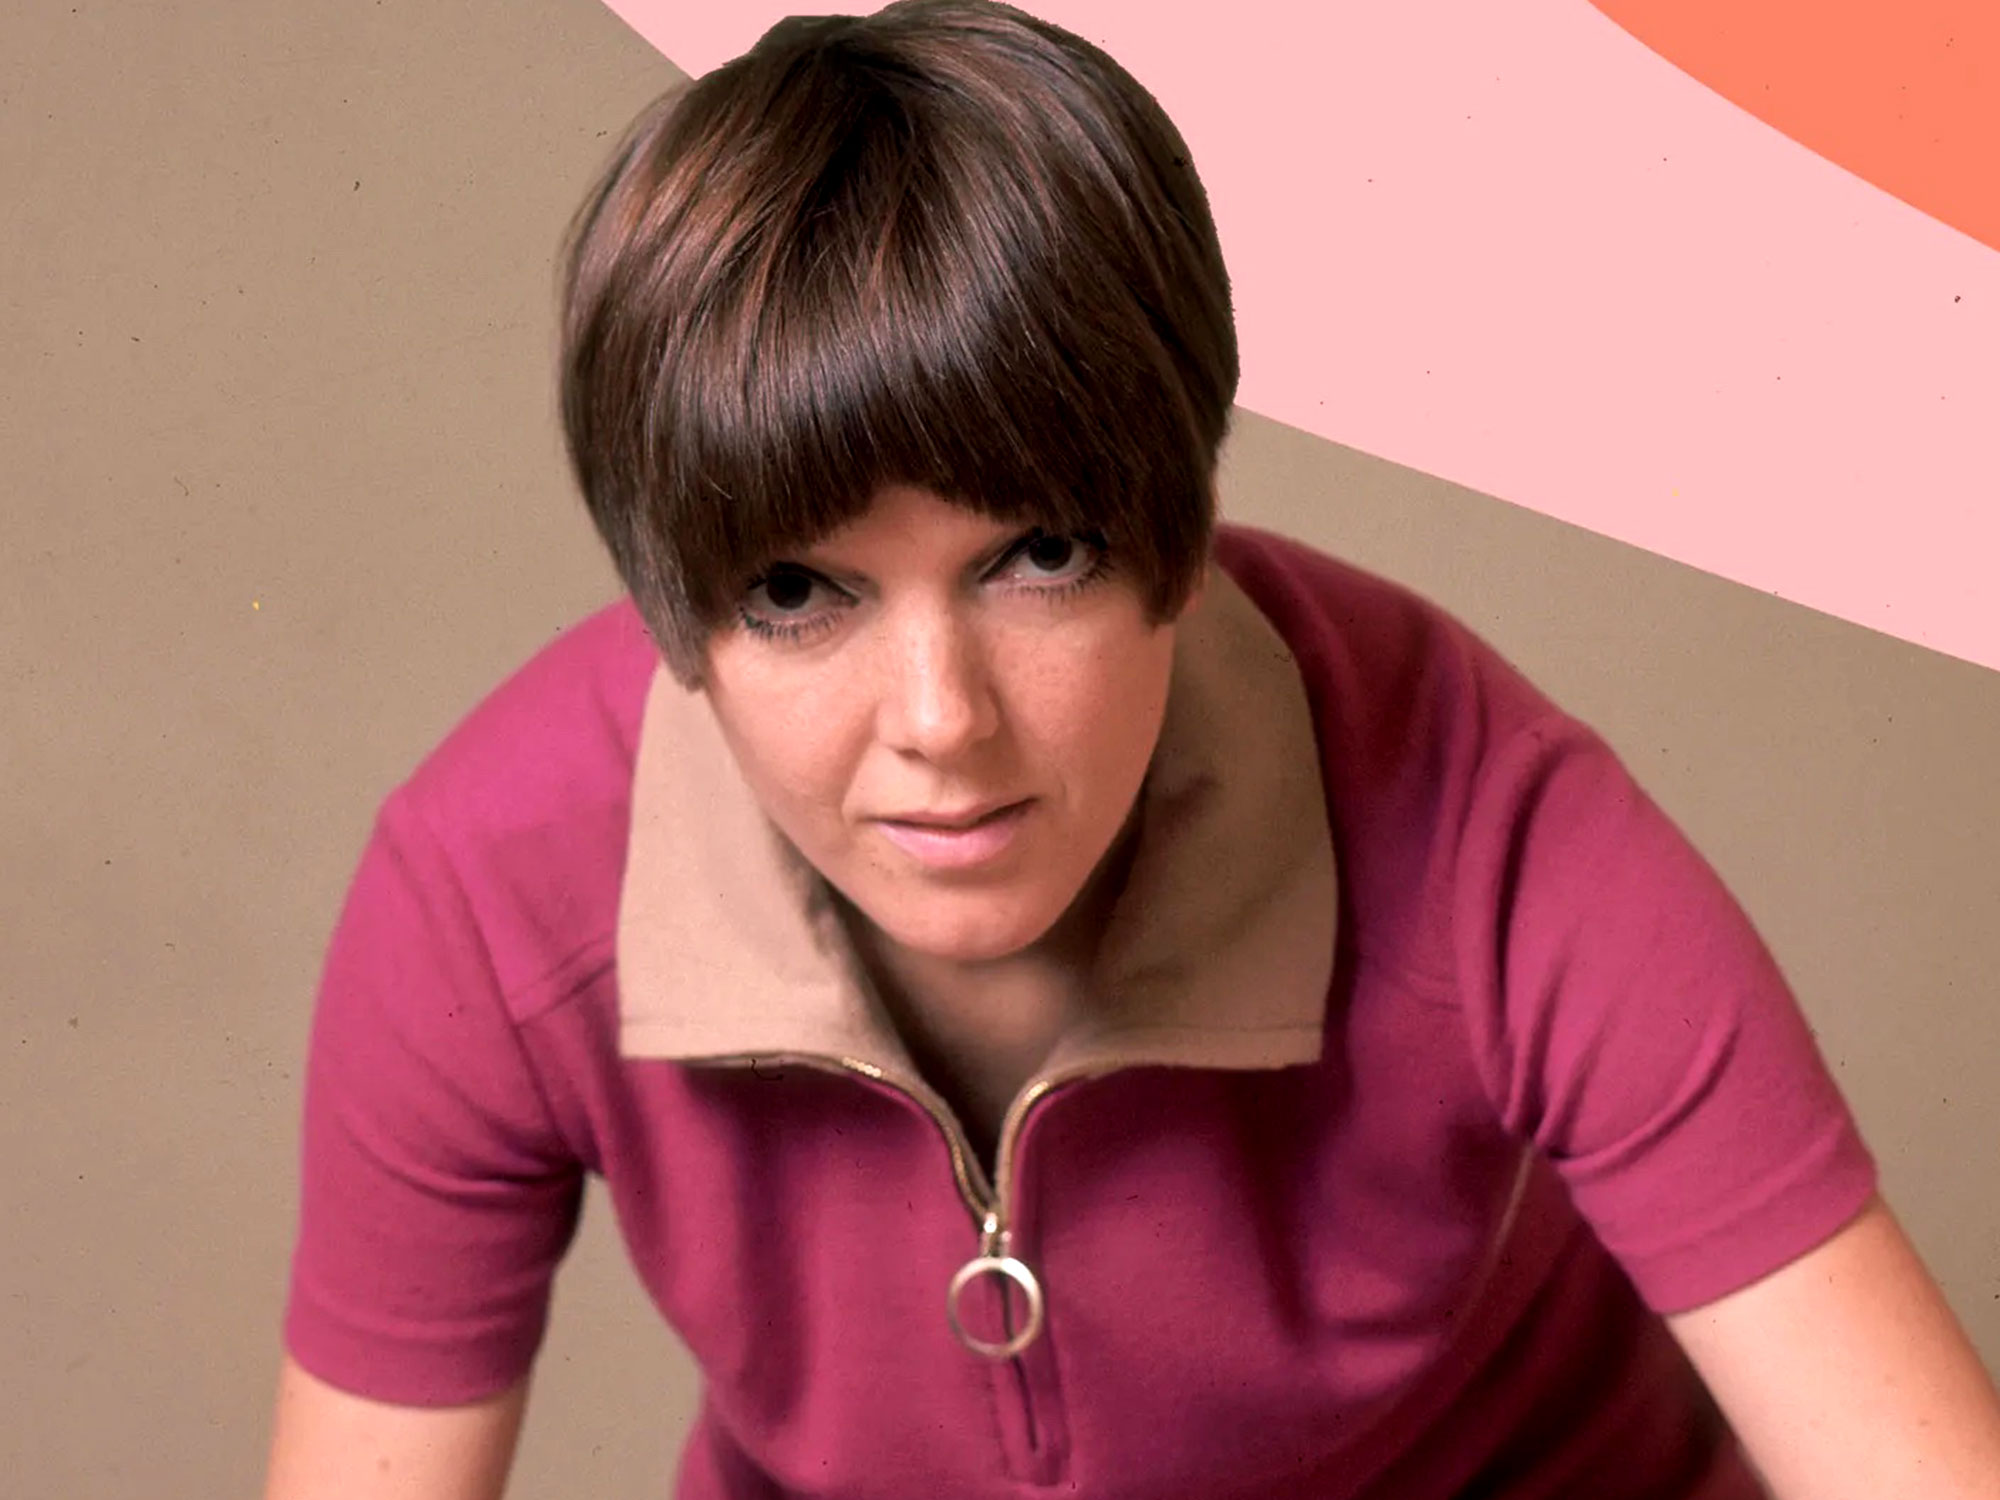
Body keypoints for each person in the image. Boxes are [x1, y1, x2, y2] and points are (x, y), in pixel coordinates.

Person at [260, 3, 2000, 1497]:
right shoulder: (492, 885)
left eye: (1039, 557)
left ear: (1181, 530)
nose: (941, 721)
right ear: (674, 609)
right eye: (796, 594)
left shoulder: (1490, 825)